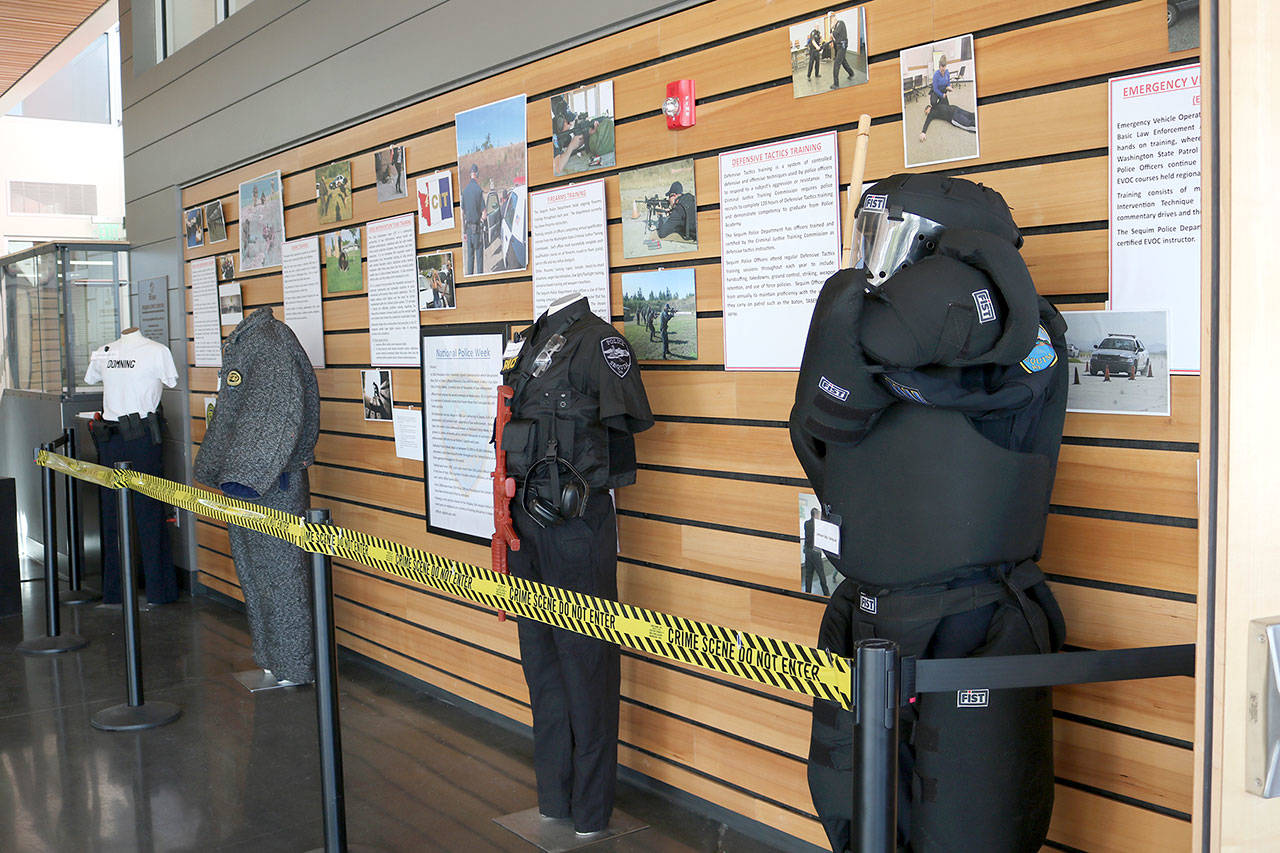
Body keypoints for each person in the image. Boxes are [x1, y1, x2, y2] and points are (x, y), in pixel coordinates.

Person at [461, 163, 485, 275]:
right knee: (479, 259)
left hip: (468, 231)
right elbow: (484, 213)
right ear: (477, 174)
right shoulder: (478, 190)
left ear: (470, 174)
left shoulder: (464, 192)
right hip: (477, 230)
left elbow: (462, 213)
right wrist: (481, 222)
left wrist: (465, 231)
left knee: (470, 260)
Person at [802, 507, 831, 595]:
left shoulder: (806, 523)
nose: (819, 516)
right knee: (821, 574)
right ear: (815, 514)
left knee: (808, 574)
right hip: (815, 552)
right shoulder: (819, 525)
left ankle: (807, 593)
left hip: (807, 551)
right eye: (818, 514)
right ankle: (826, 595)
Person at [829, 12, 854, 89]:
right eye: (831, 21)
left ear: (835, 20)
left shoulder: (840, 23)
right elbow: (833, 37)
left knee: (836, 64)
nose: (831, 23)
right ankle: (851, 73)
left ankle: (836, 84)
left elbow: (835, 34)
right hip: (838, 46)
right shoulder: (835, 27)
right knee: (843, 61)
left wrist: (832, 29)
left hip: (842, 46)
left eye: (832, 21)